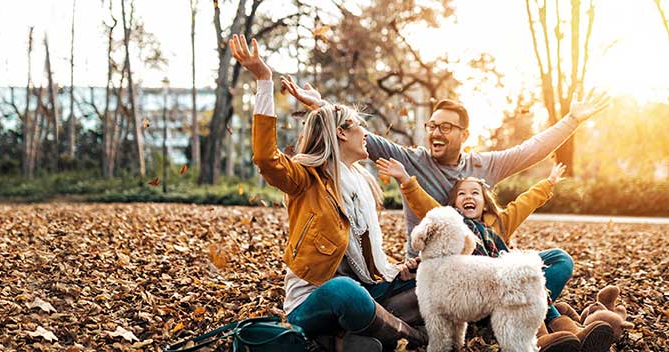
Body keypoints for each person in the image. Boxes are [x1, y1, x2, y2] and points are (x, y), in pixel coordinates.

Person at [231, 34, 425, 352]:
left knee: (434, 275)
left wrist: (399, 270)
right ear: (341, 133)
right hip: (317, 302)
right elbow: (266, 158)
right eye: (359, 125)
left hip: (369, 290)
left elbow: (364, 259)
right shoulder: (306, 179)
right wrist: (264, 81)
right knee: (345, 292)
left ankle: (346, 340)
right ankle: (410, 336)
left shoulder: (360, 182)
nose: (366, 133)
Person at [280, 77, 611, 258]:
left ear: (464, 135)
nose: (435, 132)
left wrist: (571, 121)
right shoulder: (411, 160)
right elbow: (359, 136)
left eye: (446, 127)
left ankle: (556, 322)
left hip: (481, 261)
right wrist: (323, 106)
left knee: (557, 262)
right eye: (432, 125)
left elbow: (531, 150)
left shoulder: (485, 165)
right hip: (431, 266)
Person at [377, 160, 619, 352]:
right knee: (521, 287)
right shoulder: (453, 225)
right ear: (453, 205)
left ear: (485, 202)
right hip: (481, 294)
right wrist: (405, 180)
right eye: (462, 194)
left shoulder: (500, 221)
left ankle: (571, 332)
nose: (469, 197)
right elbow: (425, 205)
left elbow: (526, 202)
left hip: (510, 280)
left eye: (475, 193)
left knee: (559, 258)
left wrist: (549, 182)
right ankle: (546, 334)